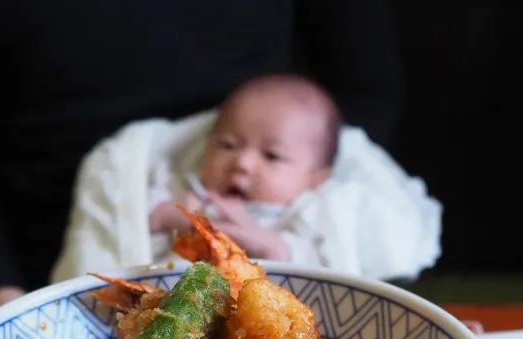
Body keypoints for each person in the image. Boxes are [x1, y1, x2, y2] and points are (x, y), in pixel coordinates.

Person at [0, 0, 405, 310]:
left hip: (286, 189)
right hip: (40, 261)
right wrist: (11, 308)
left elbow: (366, 90)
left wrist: (296, 183)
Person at [51, 73, 442, 283]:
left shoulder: (303, 214)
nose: (243, 164)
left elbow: (306, 266)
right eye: (228, 145)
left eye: (272, 156)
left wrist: (253, 236)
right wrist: (183, 213)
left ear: (315, 178)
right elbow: (142, 220)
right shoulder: (189, 192)